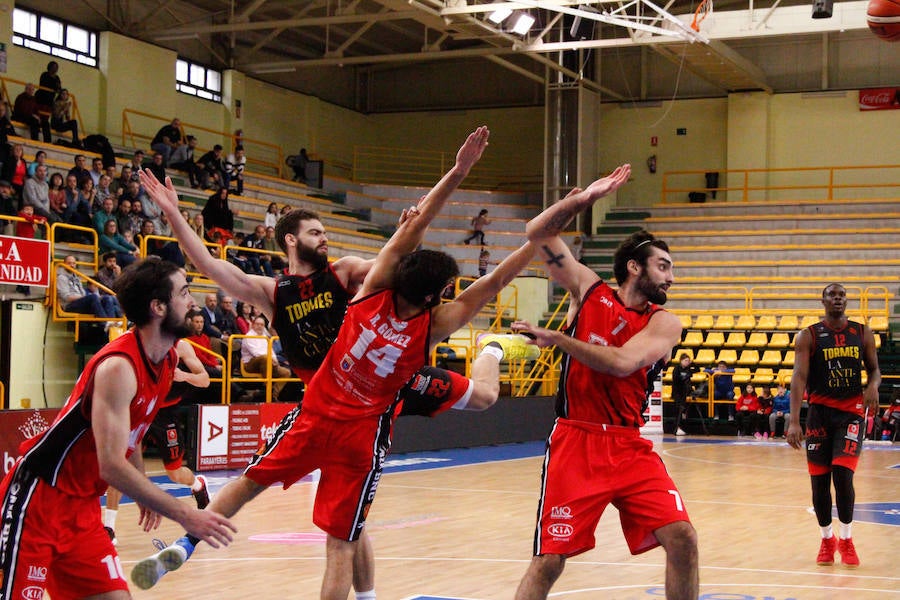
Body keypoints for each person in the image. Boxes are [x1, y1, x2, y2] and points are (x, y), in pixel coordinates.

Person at [132, 127, 531, 596]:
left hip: (389, 381)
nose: (324, 238)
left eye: (325, 231)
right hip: (335, 402)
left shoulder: (346, 273)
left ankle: (491, 347)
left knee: (483, 397)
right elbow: (210, 267)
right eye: (315, 232)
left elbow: (402, 260)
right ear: (289, 241)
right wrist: (176, 215)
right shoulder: (272, 293)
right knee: (344, 523)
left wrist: (413, 223)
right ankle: (364, 596)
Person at [506, 165, 699, 600]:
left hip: (629, 447)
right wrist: (583, 200)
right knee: (549, 560)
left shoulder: (665, 322)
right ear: (635, 267)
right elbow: (537, 231)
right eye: (663, 266)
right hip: (577, 440)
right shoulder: (588, 290)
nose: (671, 277)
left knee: (683, 538)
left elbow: (621, 363)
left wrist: (558, 339)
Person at [0, 258, 236, 600]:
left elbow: (132, 433)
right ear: (158, 307)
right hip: (39, 499)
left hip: (82, 509)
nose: (193, 302)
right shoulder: (119, 368)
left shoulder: (167, 359)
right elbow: (109, 463)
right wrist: (185, 514)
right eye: (184, 293)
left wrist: (142, 487)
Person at [786, 283, 881, 569]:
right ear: (823, 300)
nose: (837, 299)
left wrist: (873, 386)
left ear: (846, 301)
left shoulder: (862, 332)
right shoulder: (809, 336)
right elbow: (798, 378)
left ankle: (847, 540)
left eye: (841, 295)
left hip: (851, 415)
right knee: (819, 483)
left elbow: (875, 369)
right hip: (818, 415)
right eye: (832, 295)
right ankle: (827, 539)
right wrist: (793, 421)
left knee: (843, 476)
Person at [105, 338, 213, 542]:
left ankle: (197, 484)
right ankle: (108, 527)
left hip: (165, 413)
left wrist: (184, 376)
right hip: (141, 409)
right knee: (120, 465)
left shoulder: (181, 346)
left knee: (175, 474)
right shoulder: (140, 343)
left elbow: (205, 380)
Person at [240, 315, 293, 400]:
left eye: (261, 325)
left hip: (268, 363)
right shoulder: (248, 336)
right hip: (250, 364)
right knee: (264, 358)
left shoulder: (265, 337)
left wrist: (275, 360)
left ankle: (273, 395)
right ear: (253, 325)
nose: (259, 326)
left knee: (286, 373)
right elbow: (256, 353)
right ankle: (266, 386)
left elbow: (271, 351)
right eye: (257, 324)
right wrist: (270, 359)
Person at [56, 255, 121, 318]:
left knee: (107, 298)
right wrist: (84, 297)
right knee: (94, 297)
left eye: (74, 263)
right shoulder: (62, 278)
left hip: (81, 302)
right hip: (69, 305)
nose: (72, 265)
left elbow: (83, 293)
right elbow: (67, 297)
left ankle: (112, 325)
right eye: (69, 263)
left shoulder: (76, 277)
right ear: (64, 264)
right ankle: (106, 323)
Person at [671, 353, 698, 436]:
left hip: (684, 392)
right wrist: (685, 377)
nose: (687, 362)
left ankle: (681, 427)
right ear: (681, 361)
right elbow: (676, 379)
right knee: (678, 409)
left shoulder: (688, 369)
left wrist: (692, 363)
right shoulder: (676, 369)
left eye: (688, 361)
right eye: (686, 361)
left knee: (683, 410)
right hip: (677, 392)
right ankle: (676, 428)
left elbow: (698, 369)